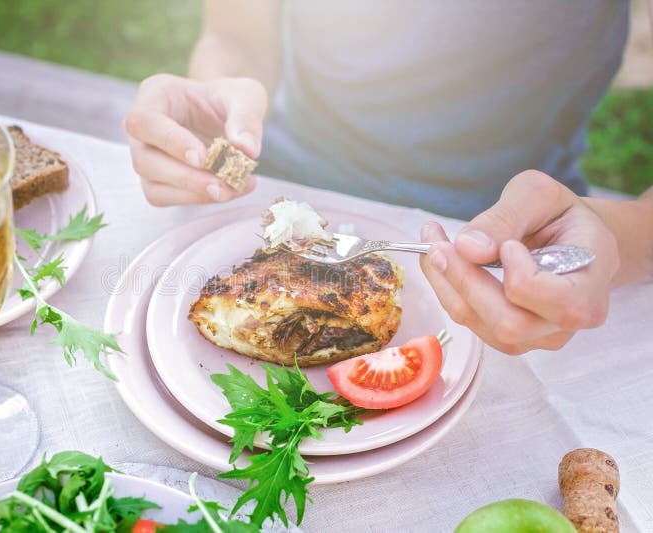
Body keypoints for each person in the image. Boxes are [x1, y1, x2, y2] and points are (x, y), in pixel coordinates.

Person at [124, 1, 653, 354]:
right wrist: (219, 97)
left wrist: (627, 240)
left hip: (528, 236)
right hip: (287, 187)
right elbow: (233, 32)